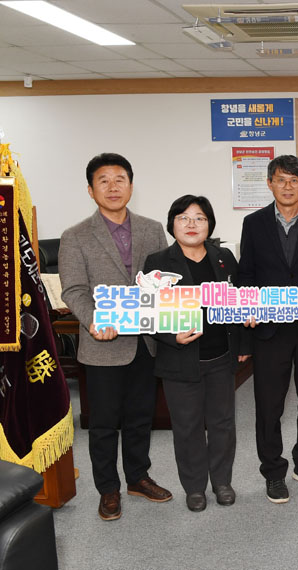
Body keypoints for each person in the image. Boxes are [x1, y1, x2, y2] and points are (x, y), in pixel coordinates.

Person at [59, 152, 172, 521]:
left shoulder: (152, 228)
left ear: (131, 186)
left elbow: (162, 282)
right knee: (104, 422)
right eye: (103, 180)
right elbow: (73, 289)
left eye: (119, 179)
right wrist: (93, 320)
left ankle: (138, 477)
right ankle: (108, 488)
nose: (112, 187)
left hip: (144, 340)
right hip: (103, 343)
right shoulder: (75, 236)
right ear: (90, 190)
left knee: (141, 416)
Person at [238, 154, 298, 503]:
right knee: (269, 404)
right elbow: (246, 274)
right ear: (269, 183)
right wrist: (247, 305)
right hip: (270, 330)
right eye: (281, 179)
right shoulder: (253, 223)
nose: (288, 186)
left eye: (295, 180)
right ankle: (273, 471)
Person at [143, 195, 250, 512]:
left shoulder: (224, 258)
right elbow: (146, 314)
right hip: (180, 359)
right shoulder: (158, 263)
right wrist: (171, 335)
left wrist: (243, 345)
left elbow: (238, 302)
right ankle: (194, 487)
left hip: (220, 357)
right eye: (183, 217)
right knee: (187, 427)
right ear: (172, 224)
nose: (191, 224)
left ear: (210, 225)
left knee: (223, 424)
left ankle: (222, 481)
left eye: (200, 218)